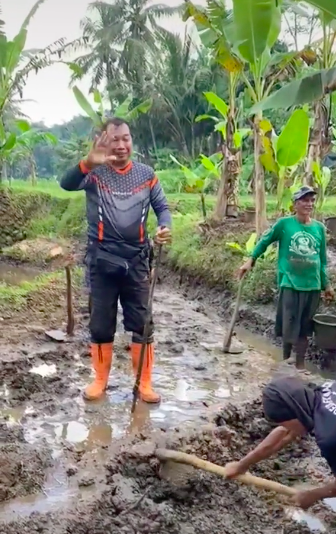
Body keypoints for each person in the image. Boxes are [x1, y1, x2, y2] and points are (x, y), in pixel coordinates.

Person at [60, 118, 171, 403]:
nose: (121, 145)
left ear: (131, 141)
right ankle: (100, 380)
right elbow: (66, 183)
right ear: (104, 141)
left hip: (137, 261)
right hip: (102, 262)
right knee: (100, 324)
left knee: (143, 323)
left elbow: (162, 206)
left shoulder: (147, 175)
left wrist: (163, 227)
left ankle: (143, 382)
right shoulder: (94, 174)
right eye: (115, 139)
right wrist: (88, 162)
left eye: (126, 138)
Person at [239, 186, 334, 368]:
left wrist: (326, 285)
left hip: (312, 286)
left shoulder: (319, 228)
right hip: (290, 282)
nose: (309, 204)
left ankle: (299, 365)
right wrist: (251, 260)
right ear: (295, 204)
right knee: (289, 324)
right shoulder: (284, 224)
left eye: (311, 200)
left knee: (305, 328)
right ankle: (285, 360)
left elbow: (321, 261)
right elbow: (265, 241)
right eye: (304, 200)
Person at [224, 376, 336, 510]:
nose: (283, 427)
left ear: (294, 414)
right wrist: (242, 465)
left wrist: (313, 495)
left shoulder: (329, 437)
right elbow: (283, 434)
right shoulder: (323, 391)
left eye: (282, 421)